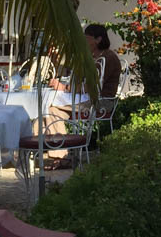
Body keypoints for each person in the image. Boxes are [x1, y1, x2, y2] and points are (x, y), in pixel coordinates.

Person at [43, 24, 121, 168]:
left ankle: (59, 156)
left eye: (87, 38)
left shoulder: (107, 58)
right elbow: (81, 81)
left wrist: (65, 88)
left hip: (101, 103)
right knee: (49, 110)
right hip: (87, 100)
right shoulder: (93, 57)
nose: (84, 42)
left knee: (50, 109)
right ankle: (53, 153)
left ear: (98, 39)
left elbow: (93, 86)